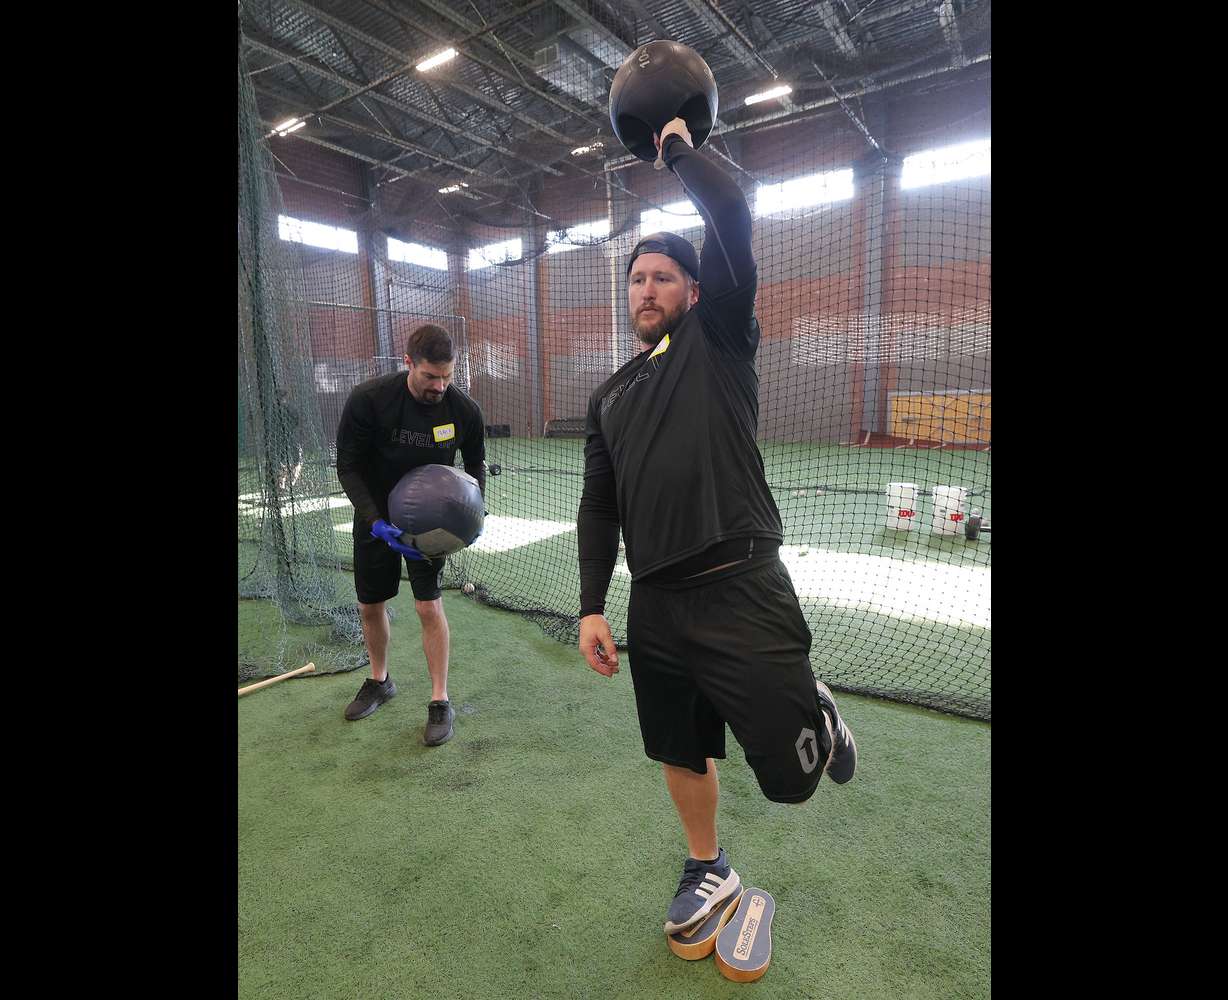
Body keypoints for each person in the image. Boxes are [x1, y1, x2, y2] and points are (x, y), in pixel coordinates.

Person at [576, 119, 858, 936]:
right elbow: (599, 506)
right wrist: (592, 606)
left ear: (694, 292)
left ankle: (814, 708)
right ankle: (709, 865)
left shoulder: (720, 334)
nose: (647, 289)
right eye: (637, 279)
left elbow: (731, 215)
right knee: (679, 748)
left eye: (663, 277)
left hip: (740, 586)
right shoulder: (608, 396)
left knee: (793, 783)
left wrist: (677, 150)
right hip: (656, 604)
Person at [335, 324, 485, 745]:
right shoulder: (369, 400)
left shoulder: (463, 410)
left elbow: (475, 464)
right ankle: (379, 680)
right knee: (370, 604)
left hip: (431, 523)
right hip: (377, 517)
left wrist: (475, 515)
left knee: (427, 605)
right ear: (408, 363)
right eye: (430, 376)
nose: (439, 386)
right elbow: (347, 466)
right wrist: (374, 521)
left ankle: (440, 700)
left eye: (447, 376)